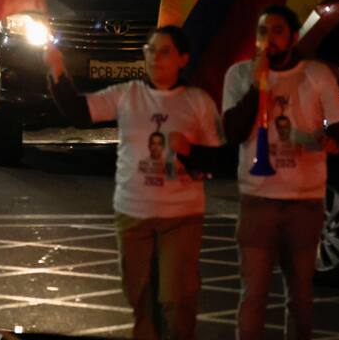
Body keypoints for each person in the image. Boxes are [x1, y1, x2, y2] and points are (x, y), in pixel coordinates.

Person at [49, 27, 224, 340]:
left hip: (180, 216)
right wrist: (58, 73)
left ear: (183, 59)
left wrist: (191, 152)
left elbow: (219, 160)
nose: (155, 58)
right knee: (138, 296)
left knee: (176, 299)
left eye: (165, 51)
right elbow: (79, 112)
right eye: (150, 50)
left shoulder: (197, 102)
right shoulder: (128, 94)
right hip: (132, 212)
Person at [221, 5, 339, 340]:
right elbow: (233, 131)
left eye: (278, 31)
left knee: (301, 297)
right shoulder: (238, 75)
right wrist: (257, 86)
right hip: (257, 199)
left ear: (293, 37)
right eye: (263, 32)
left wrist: (326, 140)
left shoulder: (316, 75)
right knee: (253, 295)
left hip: (304, 201)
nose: (269, 39)